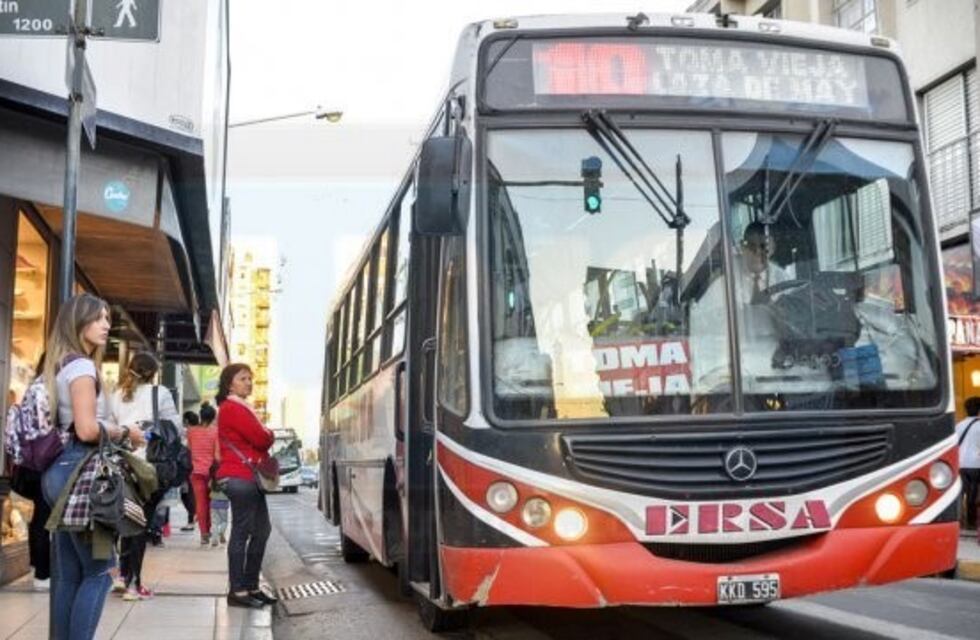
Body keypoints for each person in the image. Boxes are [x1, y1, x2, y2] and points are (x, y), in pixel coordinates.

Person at [42, 293, 144, 640]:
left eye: (108, 320)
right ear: (79, 321)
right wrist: (126, 432)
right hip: (85, 481)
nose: (106, 326)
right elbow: (86, 429)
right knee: (100, 571)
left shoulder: (60, 364)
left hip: (62, 474)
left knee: (70, 574)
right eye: (98, 318)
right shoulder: (83, 367)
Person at [108, 351, 180, 601]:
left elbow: (110, 428)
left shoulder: (115, 395)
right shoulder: (160, 393)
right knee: (140, 524)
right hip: (148, 466)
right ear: (153, 373)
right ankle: (133, 585)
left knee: (125, 520)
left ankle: (121, 576)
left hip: (121, 463)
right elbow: (175, 429)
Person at [215, 363, 278, 608]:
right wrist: (268, 434)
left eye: (250, 379)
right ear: (230, 383)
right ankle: (238, 591)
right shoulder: (233, 408)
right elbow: (262, 438)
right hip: (239, 477)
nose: (249, 383)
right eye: (243, 379)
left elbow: (259, 438)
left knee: (262, 530)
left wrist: (264, 434)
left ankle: (251, 585)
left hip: (249, 478)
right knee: (242, 532)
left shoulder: (242, 408)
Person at [7, 358, 52, 591]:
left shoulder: (29, 393)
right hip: (46, 463)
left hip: (29, 465)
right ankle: (44, 573)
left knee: (39, 519)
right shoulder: (46, 391)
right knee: (45, 519)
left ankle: (39, 569)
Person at [735, 221, 793, 305]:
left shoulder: (782, 279)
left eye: (763, 246)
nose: (758, 252)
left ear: (772, 248)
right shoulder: (728, 282)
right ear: (743, 247)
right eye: (752, 246)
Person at [187, 402, 220, 544]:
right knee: (213, 503)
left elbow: (189, 450)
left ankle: (203, 534)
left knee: (200, 504)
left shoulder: (191, 432)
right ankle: (211, 529)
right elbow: (217, 456)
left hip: (196, 472)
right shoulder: (216, 432)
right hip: (212, 473)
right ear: (213, 417)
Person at [956, 396, 980, 533]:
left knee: (962, 493)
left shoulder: (959, 425)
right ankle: (972, 522)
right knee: (974, 493)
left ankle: (961, 520)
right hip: (976, 464)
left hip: (960, 464)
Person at [179, 411, 199, 532]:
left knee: (187, 494)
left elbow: (187, 449)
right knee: (190, 494)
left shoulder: (188, 433)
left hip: (189, 468)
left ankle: (192, 519)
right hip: (199, 467)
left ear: (186, 421)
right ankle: (194, 517)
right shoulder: (200, 431)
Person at [210, 476, 230, 548]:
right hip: (224, 503)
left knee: (214, 522)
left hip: (214, 502)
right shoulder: (227, 480)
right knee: (224, 521)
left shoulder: (214, 479)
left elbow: (209, 486)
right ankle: (221, 532)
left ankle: (214, 540)